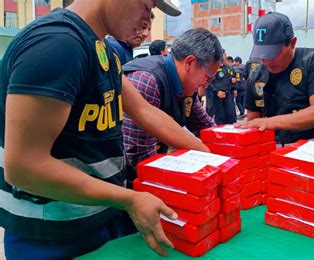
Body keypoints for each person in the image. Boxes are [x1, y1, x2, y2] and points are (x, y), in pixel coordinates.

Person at [0, 0, 213, 258]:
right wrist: (129, 199)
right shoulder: (58, 44)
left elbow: (145, 111)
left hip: (96, 219)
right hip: (51, 236)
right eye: (146, 6)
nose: (148, 20)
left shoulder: (102, 50)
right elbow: (24, 166)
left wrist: (208, 155)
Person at [122, 28, 219, 170]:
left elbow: (205, 126)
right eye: (208, 77)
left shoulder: (186, 88)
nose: (206, 84)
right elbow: (139, 154)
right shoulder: (148, 81)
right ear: (190, 63)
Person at [240, 12, 314, 145]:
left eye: (272, 53)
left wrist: (269, 122)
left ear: (292, 43)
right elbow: (253, 122)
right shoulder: (256, 75)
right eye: (262, 54)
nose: (267, 60)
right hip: (277, 145)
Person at [209, 51, 237, 124]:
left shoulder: (227, 67)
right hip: (217, 94)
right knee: (220, 116)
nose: (225, 56)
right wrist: (217, 91)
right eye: (224, 54)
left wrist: (234, 88)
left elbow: (229, 79)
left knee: (229, 114)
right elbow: (209, 81)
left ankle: (229, 131)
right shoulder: (213, 66)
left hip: (227, 93)